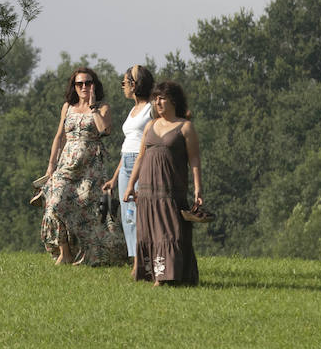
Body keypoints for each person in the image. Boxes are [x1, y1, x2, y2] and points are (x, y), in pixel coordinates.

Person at [123, 80, 202, 285]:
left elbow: (194, 160)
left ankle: (170, 276)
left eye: (162, 98)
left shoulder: (185, 127)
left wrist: (198, 189)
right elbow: (140, 157)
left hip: (170, 191)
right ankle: (155, 275)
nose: (157, 102)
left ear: (173, 100)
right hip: (147, 191)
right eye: (155, 98)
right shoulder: (150, 125)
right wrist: (131, 185)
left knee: (169, 233)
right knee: (149, 233)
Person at [40, 66, 114, 265]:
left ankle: (90, 255)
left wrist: (92, 108)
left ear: (94, 85)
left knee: (87, 211)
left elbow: (104, 130)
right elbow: (59, 137)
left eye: (88, 83)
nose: (84, 87)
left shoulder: (102, 107)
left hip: (91, 167)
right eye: (79, 83)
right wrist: (50, 167)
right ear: (74, 86)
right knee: (54, 204)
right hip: (66, 165)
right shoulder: (67, 107)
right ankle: (65, 252)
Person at [102, 65, 154, 261]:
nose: (122, 86)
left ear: (135, 84)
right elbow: (127, 146)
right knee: (128, 215)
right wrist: (115, 179)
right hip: (126, 164)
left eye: (124, 82)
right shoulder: (133, 109)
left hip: (143, 164)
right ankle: (135, 259)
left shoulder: (151, 109)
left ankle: (146, 256)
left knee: (141, 212)